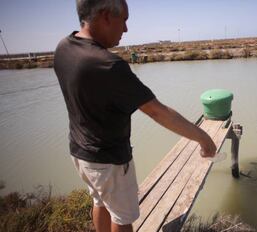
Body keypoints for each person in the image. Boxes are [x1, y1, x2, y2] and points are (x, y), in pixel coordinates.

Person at [53, 0, 217, 232]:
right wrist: (203, 137)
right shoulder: (109, 65)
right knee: (122, 217)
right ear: (106, 16)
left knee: (100, 201)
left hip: (80, 153)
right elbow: (157, 112)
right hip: (109, 161)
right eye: (124, 20)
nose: (127, 29)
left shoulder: (63, 48)